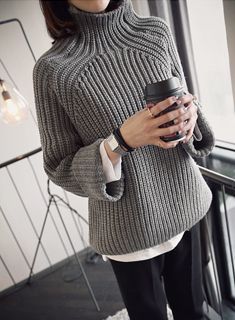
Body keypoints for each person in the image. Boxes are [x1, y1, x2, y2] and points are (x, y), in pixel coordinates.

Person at [33, 0, 215, 319]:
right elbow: (59, 165)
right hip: (129, 230)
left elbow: (184, 104)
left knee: (195, 312)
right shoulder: (52, 70)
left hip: (187, 206)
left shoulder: (156, 33)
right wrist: (121, 140)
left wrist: (191, 118)